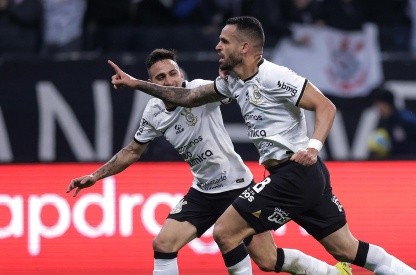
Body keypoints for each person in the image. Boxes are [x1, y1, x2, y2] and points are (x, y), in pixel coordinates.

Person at [107, 16, 416, 275]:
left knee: (225, 232)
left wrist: (314, 145)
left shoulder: (275, 76)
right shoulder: (232, 81)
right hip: (301, 176)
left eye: (224, 41)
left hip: (295, 173)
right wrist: (136, 84)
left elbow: (326, 106)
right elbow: (188, 97)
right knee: (346, 249)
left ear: (244, 47)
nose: (217, 46)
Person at [67, 48, 349, 275]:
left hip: (238, 185)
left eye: (173, 73)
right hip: (203, 192)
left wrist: (230, 72)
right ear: (153, 84)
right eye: (161, 77)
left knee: (268, 260)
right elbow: (132, 151)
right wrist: (96, 176)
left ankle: (332, 273)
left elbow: (231, 89)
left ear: (182, 73)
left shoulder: (201, 90)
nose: (169, 81)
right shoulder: (153, 112)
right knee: (163, 243)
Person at [370, 86, 416, 159]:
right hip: (398, 164)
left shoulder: (405, 118)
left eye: (378, 105)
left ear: (385, 104)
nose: (377, 109)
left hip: (412, 163)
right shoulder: (387, 122)